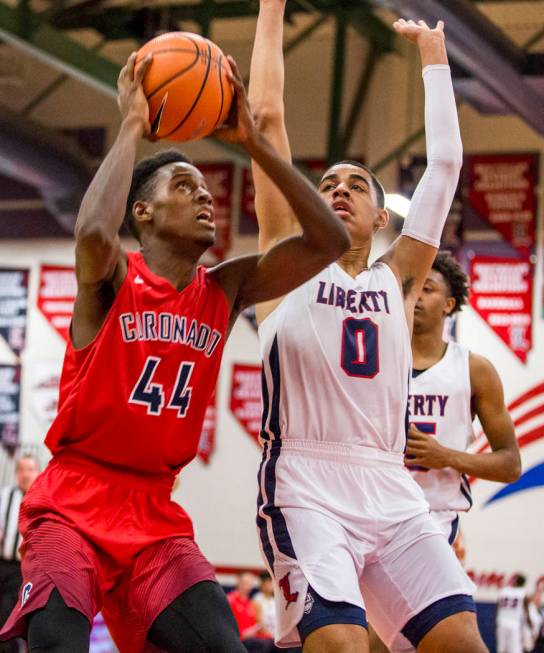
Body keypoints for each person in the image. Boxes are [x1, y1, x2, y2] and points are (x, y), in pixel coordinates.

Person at [0, 52, 350, 653]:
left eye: (208, 189)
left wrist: (253, 143)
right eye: (185, 188)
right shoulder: (112, 279)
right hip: (72, 501)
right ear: (144, 212)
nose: (206, 198)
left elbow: (330, 240)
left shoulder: (224, 287)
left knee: (223, 646)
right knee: (58, 645)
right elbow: (91, 233)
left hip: (154, 513)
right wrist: (133, 123)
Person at [249, 3, 487, 652]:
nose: (340, 189)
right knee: (343, 646)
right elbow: (267, 121)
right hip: (306, 478)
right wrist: (272, 8)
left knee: (463, 641)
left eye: (357, 184)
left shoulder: (399, 278)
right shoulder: (286, 265)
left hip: (389, 482)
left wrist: (434, 61)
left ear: (383, 218)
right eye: (327, 183)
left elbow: (444, 169)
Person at [407, 251, 520, 544]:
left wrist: (446, 457)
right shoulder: (376, 361)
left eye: (427, 287)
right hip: (372, 512)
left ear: (449, 304)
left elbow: (510, 464)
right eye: (412, 285)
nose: (416, 294)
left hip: (434, 517)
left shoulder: (474, 369)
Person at [0, 455, 39, 653]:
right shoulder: (5, 495)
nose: (25, 474)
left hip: (23, 570)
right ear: (16, 474)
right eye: (21, 470)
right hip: (2, 562)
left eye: (30, 469)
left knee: (7, 616)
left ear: (37, 473)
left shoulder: (41, 501)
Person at [497, 575, 531, 653]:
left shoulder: (504, 591)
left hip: (502, 623)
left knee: (502, 650)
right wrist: (530, 625)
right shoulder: (523, 593)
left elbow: (498, 608)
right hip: (514, 625)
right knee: (514, 650)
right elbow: (526, 612)